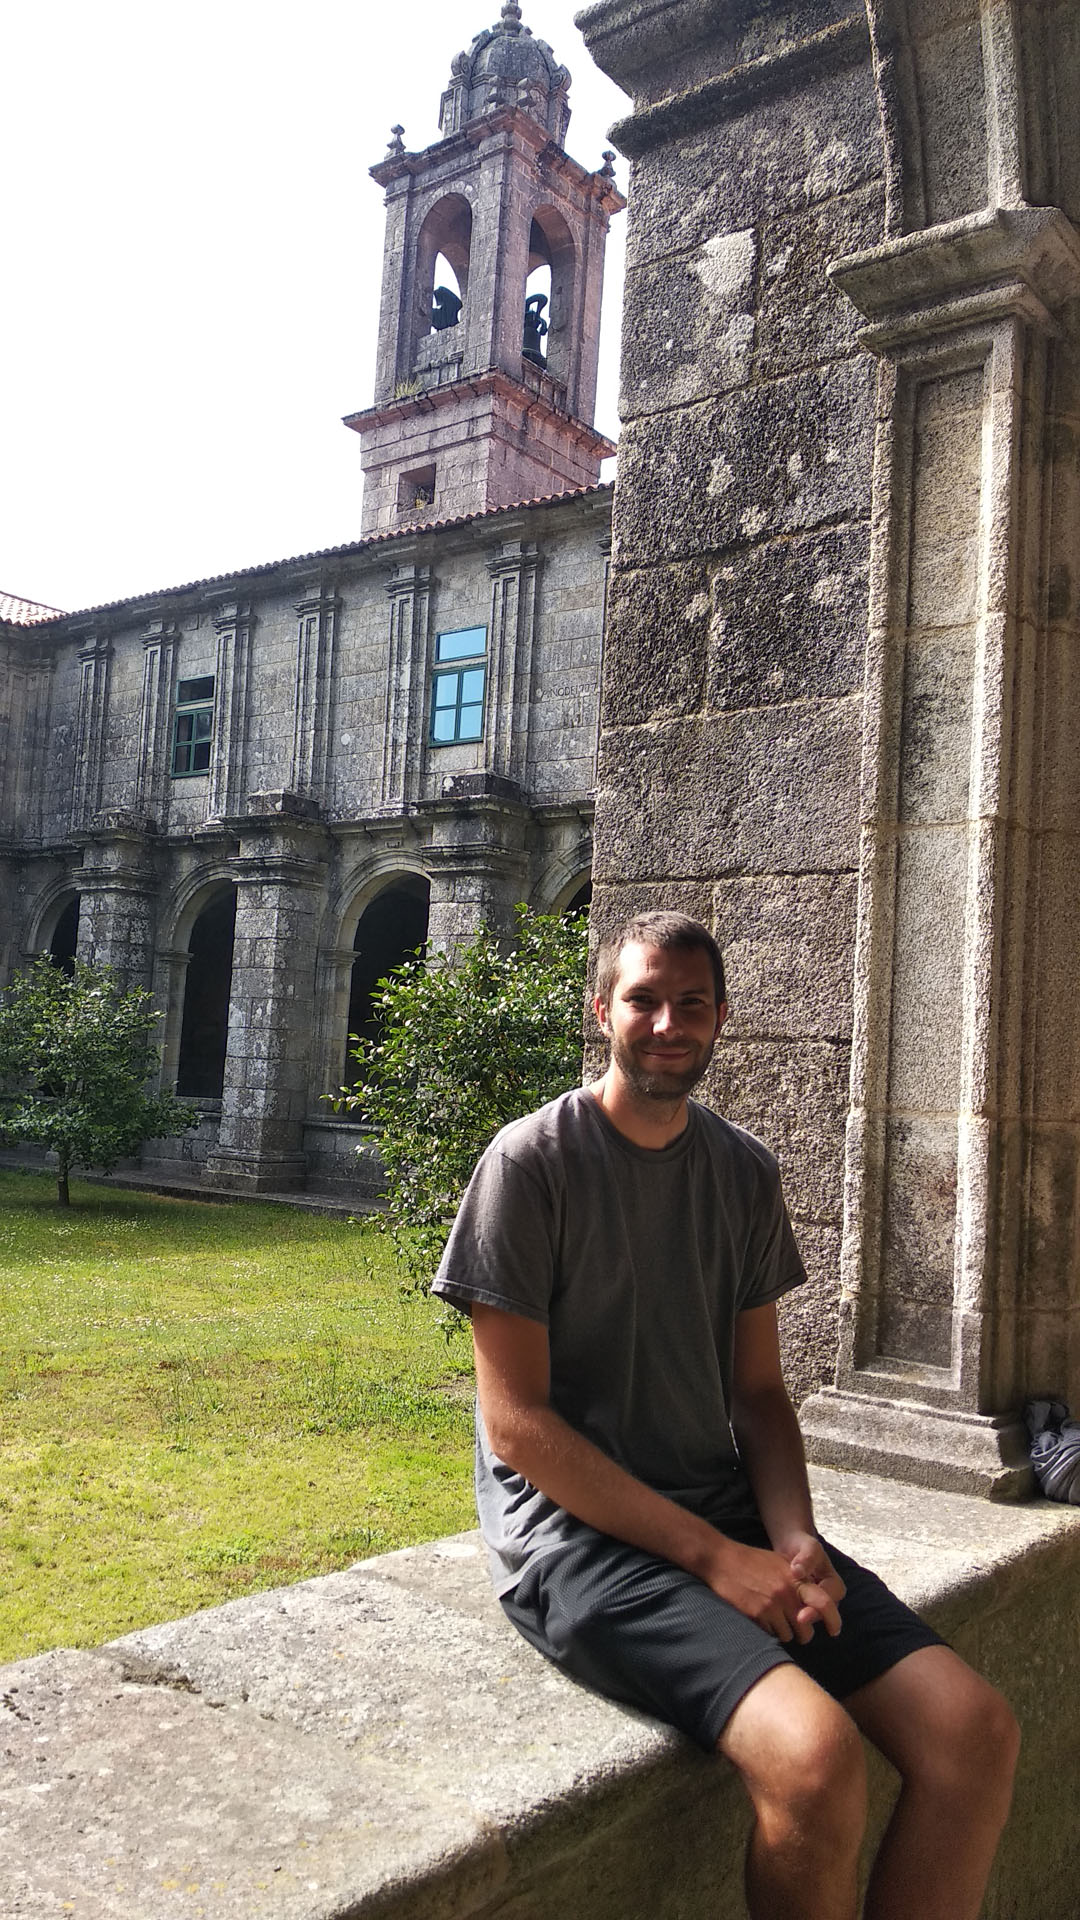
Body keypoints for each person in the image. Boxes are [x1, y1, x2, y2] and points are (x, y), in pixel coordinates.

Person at [433, 911, 1019, 1920]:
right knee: (815, 1759)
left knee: (974, 1732)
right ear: (601, 1010)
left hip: (724, 1509)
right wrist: (716, 1559)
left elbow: (757, 1394)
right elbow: (517, 1427)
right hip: (577, 1543)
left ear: (720, 1018)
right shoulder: (530, 1163)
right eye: (643, 1000)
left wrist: (791, 1538)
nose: (668, 1023)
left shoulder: (743, 1171)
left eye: (691, 1004)